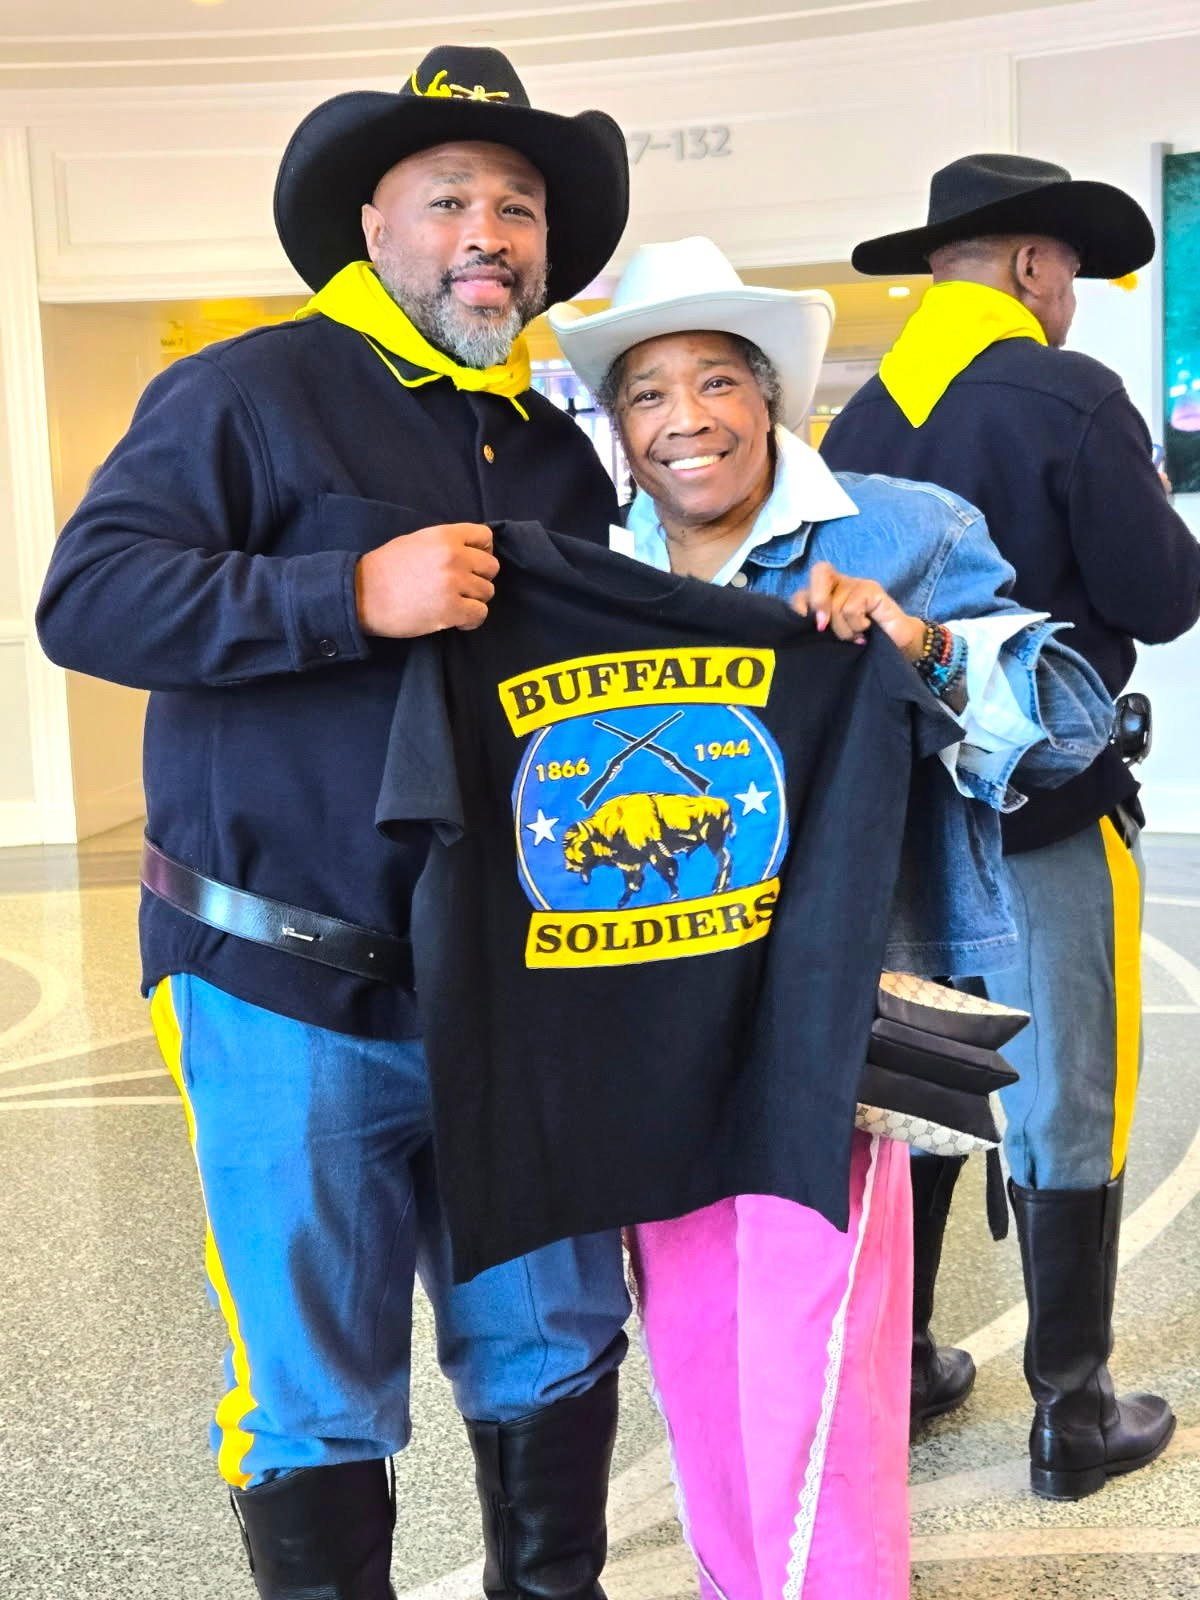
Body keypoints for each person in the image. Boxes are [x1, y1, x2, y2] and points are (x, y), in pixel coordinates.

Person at [36, 46, 633, 1599]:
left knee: (556, 1341)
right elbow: (88, 598)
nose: (487, 232)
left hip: (519, 997)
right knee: (312, 1393)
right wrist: (348, 593)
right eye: (449, 200)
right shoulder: (244, 392)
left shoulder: (560, 455)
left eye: (518, 206)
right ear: (374, 226)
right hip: (281, 990)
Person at [550, 235, 1113, 1597]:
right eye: (647, 393)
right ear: (617, 427)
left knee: (819, 1361)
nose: (686, 419)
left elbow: (1072, 723)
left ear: (769, 395)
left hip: (836, 1027)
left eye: (716, 382)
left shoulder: (901, 530)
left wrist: (921, 644)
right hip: (651, 1029)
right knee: (697, 1355)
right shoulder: (587, 569)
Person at [823, 153, 1200, 1500]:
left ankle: (909, 1365)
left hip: (897, 818)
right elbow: (1161, 598)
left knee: (923, 1080)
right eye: (1073, 276)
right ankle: (1072, 1411)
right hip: (1043, 800)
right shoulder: (1071, 394)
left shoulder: (855, 426)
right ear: (1034, 269)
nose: (1071, 298)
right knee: (1068, 1091)